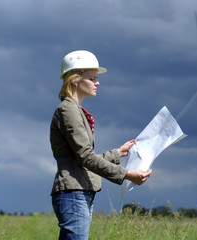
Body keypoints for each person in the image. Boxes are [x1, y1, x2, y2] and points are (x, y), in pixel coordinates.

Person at [50, 50, 152, 240]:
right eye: (92, 78)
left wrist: (117, 153)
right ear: (75, 80)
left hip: (80, 192)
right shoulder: (68, 110)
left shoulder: (74, 110)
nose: (97, 83)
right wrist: (127, 175)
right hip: (74, 193)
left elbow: (80, 159)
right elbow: (86, 157)